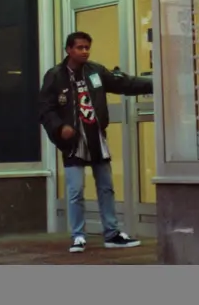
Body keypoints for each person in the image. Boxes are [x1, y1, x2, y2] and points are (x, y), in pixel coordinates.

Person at [39, 31, 153, 253]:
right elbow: (45, 108)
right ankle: (78, 236)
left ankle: (111, 233)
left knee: (106, 187)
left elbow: (124, 84)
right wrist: (59, 127)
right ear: (68, 50)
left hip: (96, 137)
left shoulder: (96, 71)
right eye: (80, 47)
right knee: (75, 190)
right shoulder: (55, 76)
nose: (84, 51)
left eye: (87, 48)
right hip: (73, 142)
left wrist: (154, 84)